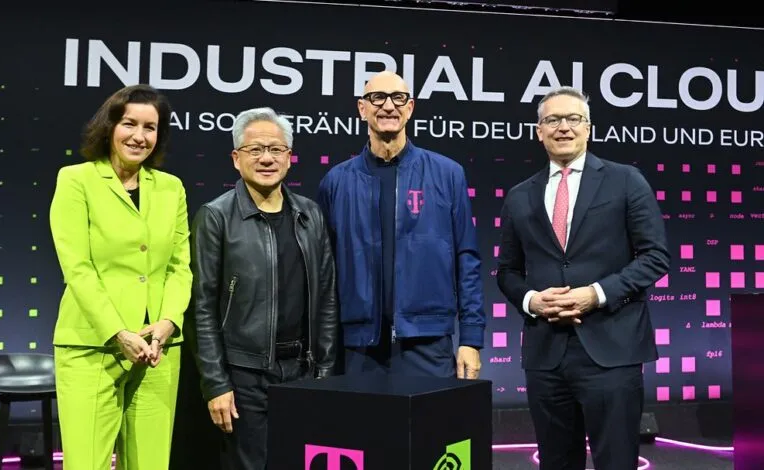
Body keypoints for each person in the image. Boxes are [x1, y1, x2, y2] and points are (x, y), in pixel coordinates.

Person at [496, 85, 671, 470]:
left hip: (612, 350)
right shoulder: (519, 196)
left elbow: (656, 256)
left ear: (589, 128)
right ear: (538, 131)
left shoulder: (626, 181)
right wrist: (532, 301)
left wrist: (596, 294)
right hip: (545, 353)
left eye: (573, 119)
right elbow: (507, 272)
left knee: (616, 462)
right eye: (552, 120)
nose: (563, 127)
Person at [48, 84, 192, 470]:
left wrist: (168, 323)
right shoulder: (76, 180)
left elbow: (180, 266)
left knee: (151, 463)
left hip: (158, 349)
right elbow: (77, 268)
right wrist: (119, 333)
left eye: (151, 127)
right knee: (86, 464)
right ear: (109, 126)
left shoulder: (171, 188)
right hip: (93, 346)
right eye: (129, 123)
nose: (139, 136)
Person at [188, 107, 337, 470]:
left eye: (276, 149)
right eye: (255, 150)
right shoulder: (216, 216)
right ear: (236, 159)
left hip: (303, 372)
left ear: (289, 157)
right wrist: (215, 384)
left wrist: (325, 374)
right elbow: (201, 309)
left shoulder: (310, 214)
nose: (267, 158)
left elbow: (327, 299)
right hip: (243, 377)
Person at [317, 70, 485, 379]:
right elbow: (323, 274)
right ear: (362, 108)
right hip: (357, 346)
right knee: (359, 429)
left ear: (410, 108)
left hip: (428, 342)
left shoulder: (448, 174)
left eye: (398, 98)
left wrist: (471, 339)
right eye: (377, 98)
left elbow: (467, 260)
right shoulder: (335, 182)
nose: (388, 107)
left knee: (431, 429)